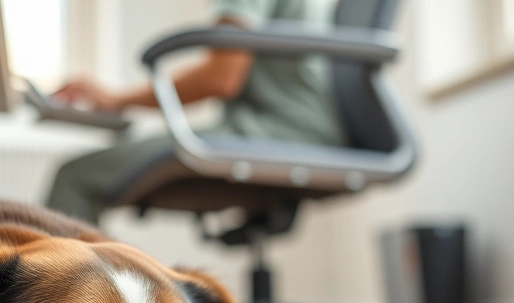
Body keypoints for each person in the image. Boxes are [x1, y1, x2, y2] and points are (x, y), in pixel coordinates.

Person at [45, 0, 347, 225]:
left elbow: (221, 77)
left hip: (277, 132)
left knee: (75, 178)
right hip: (309, 133)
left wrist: (116, 99)